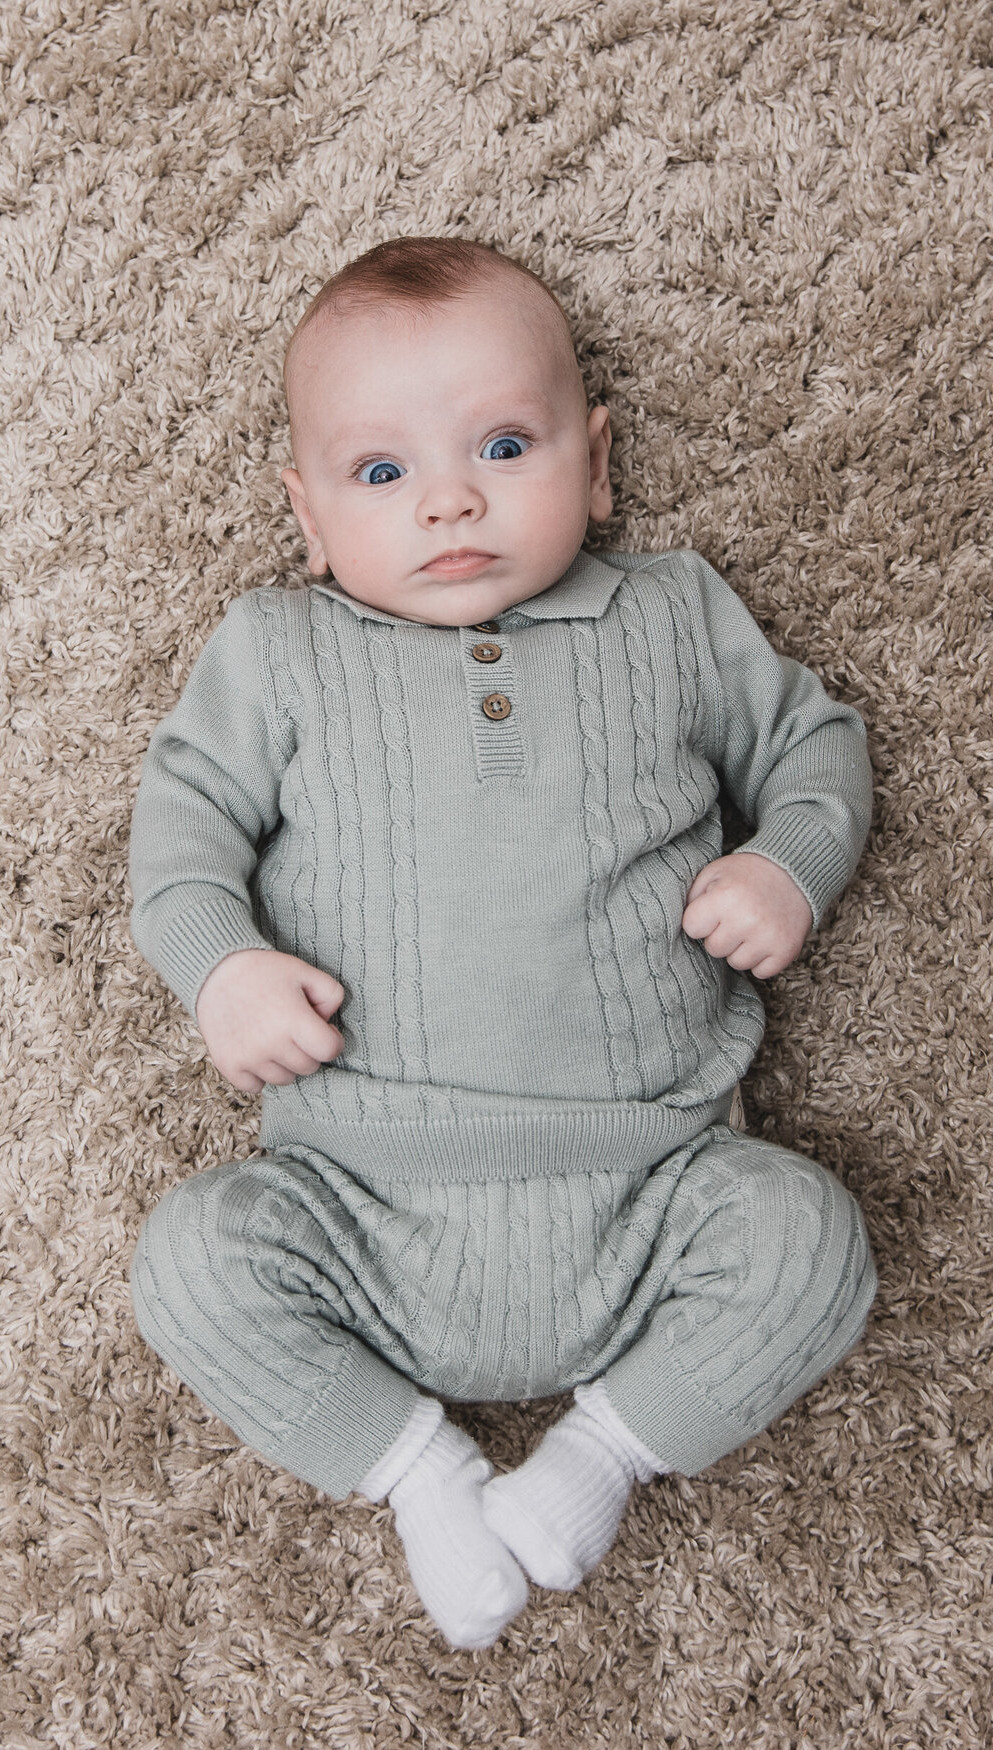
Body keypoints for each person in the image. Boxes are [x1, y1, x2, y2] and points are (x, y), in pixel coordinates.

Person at [127, 237, 877, 1649]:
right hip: (357, 1199)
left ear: (597, 467)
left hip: (656, 1177)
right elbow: (181, 833)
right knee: (188, 1260)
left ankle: (598, 1455)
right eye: (382, 474)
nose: (452, 498)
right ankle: (423, 1473)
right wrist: (221, 965)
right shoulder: (279, 649)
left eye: (506, 444)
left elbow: (816, 743)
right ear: (308, 515)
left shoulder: (670, 612)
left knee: (815, 1239)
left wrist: (790, 864)